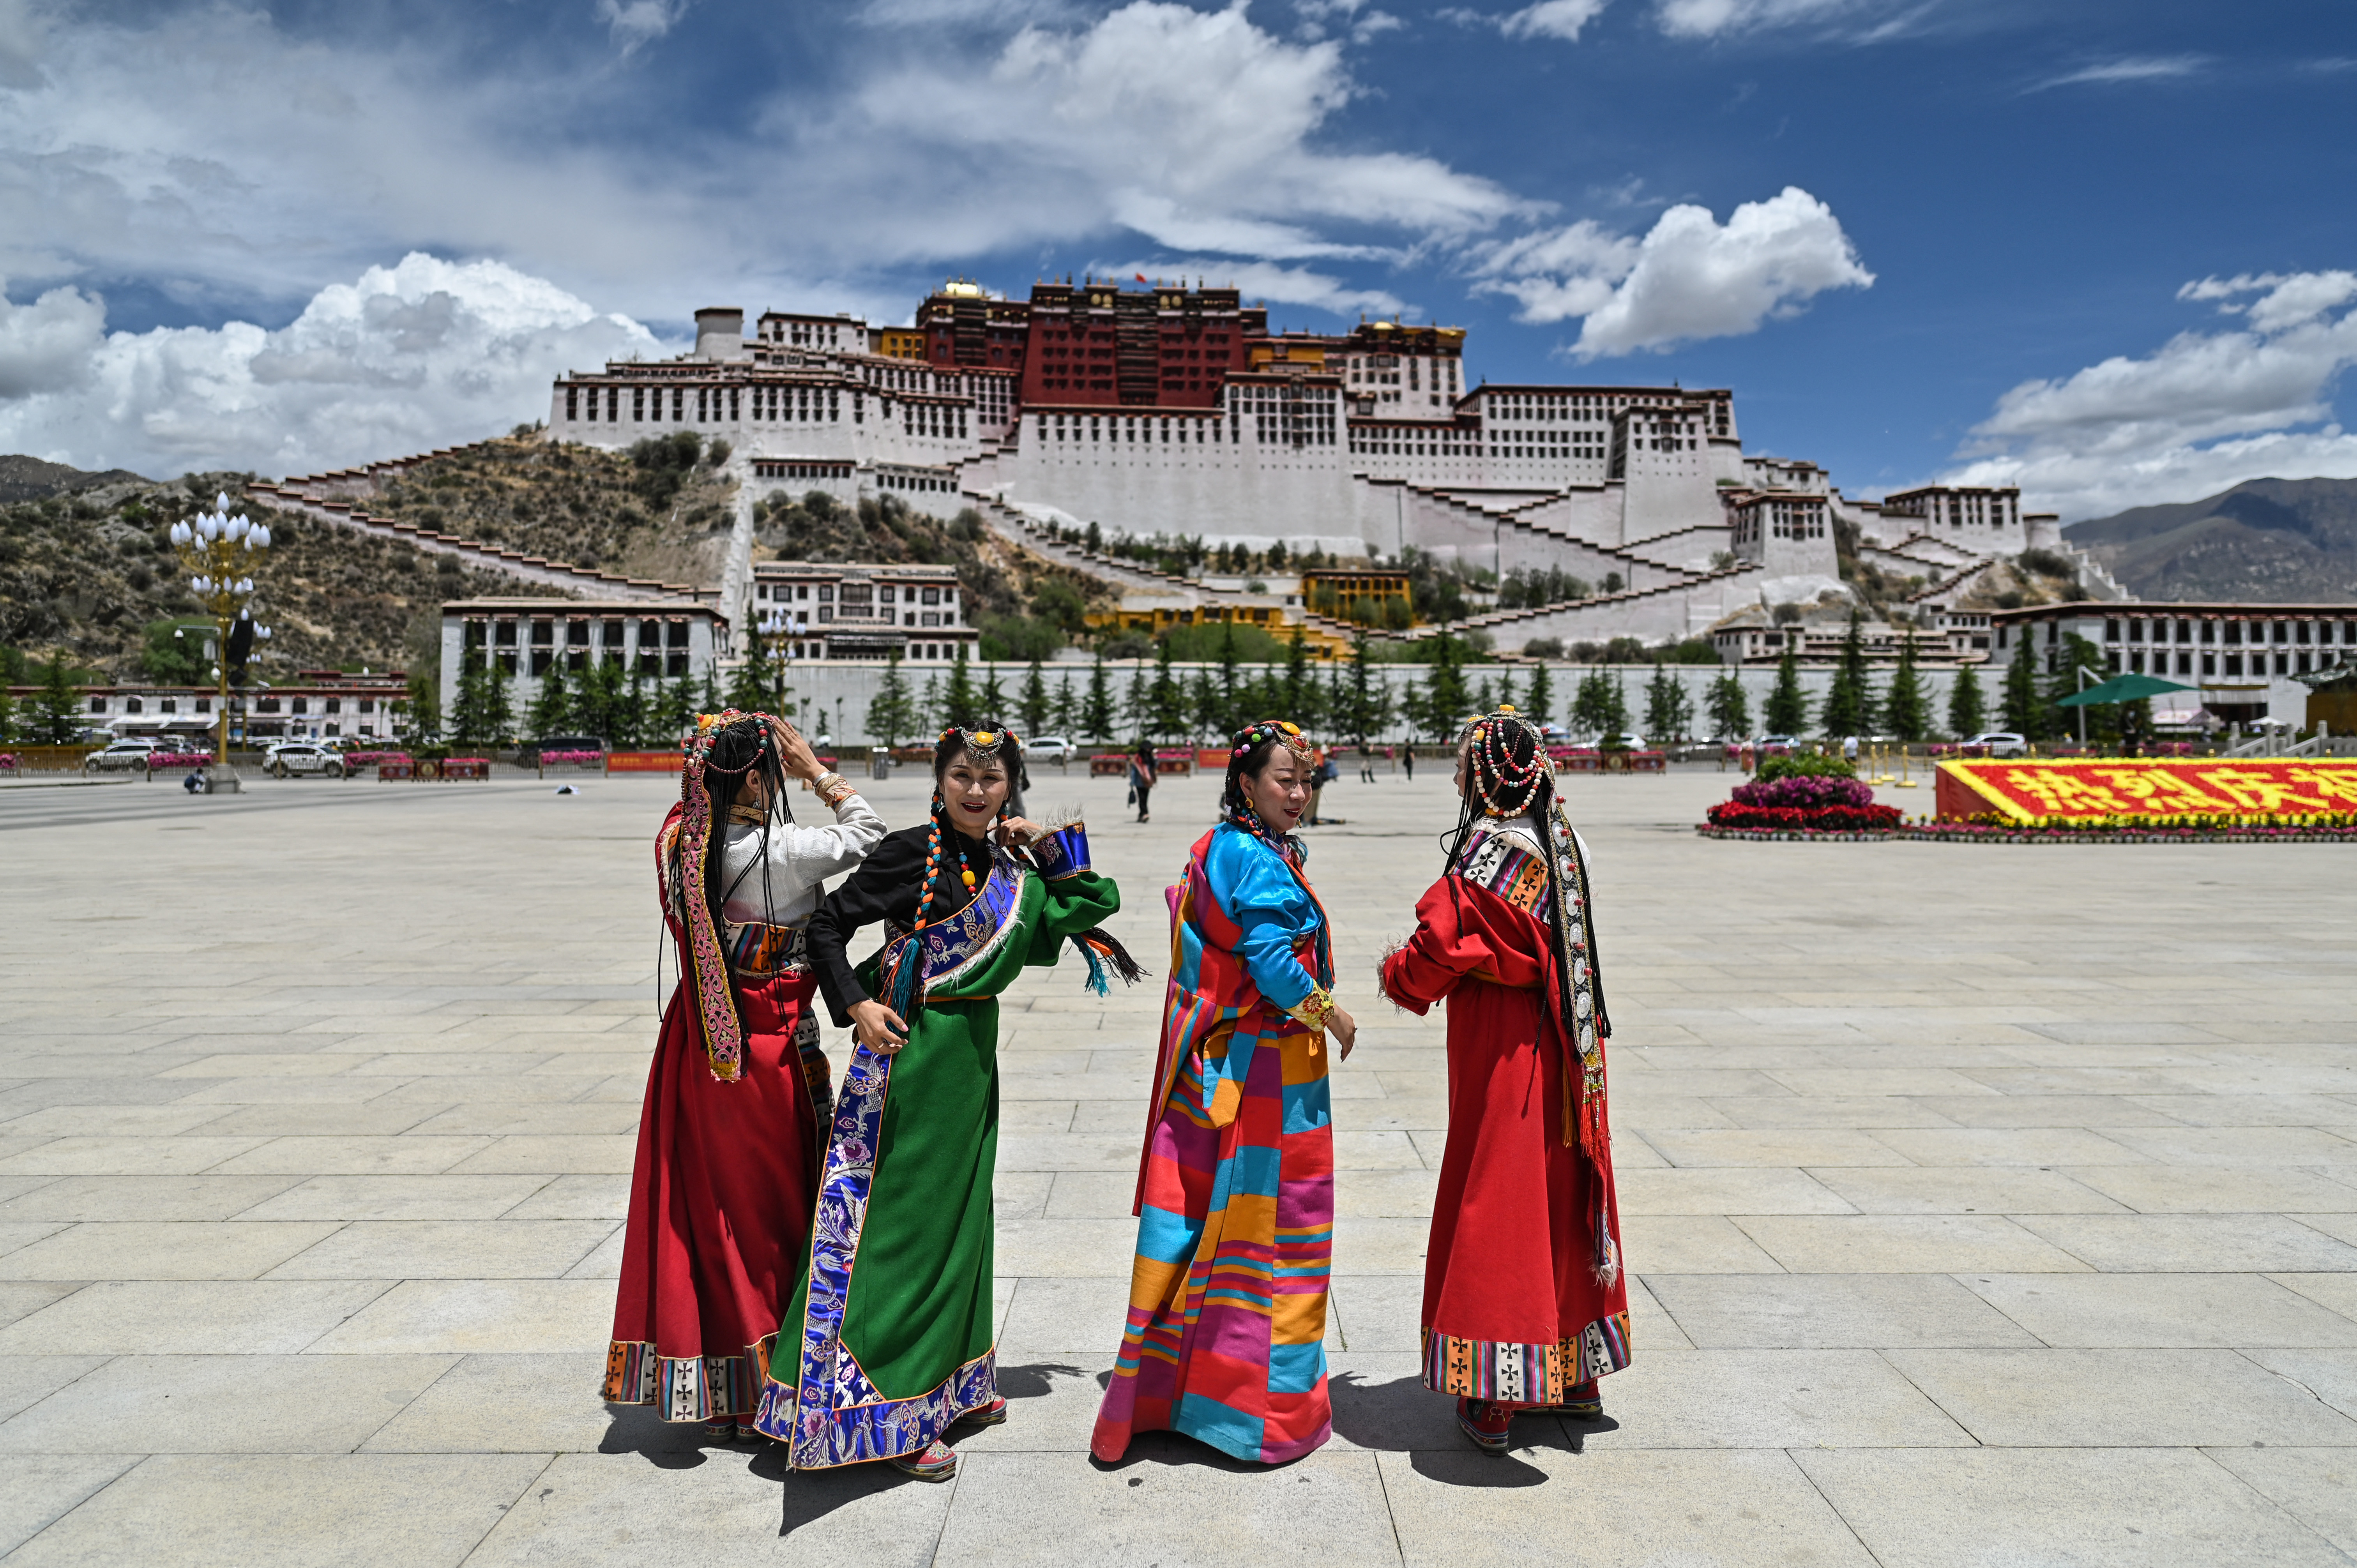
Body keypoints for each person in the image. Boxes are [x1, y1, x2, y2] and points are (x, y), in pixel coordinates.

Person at [756, 726, 1136, 1480]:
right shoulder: (908, 851)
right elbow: (828, 925)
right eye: (962, 774)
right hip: (913, 1051)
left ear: (1010, 787)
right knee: (907, 1227)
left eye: (991, 779)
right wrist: (856, 1003)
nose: (975, 790)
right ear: (939, 777)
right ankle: (884, 1409)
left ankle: (952, 1381)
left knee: (962, 1221)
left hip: (969, 1059)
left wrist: (1049, 844)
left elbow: (1089, 905)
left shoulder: (1008, 865)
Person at [604, 712, 885, 1439]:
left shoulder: (679, 841)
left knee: (712, 1208)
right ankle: (776, 1376)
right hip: (768, 1048)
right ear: (758, 780)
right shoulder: (781, 851)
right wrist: (819, 774)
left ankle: (721, 1379)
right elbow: (870, 834)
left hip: (699, 1039)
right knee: (773, 1215)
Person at [1092, 718, 1355, 1467]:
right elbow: (1271, 962)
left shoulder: (1222, 844)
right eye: (1283, 779)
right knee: (1273, 1233)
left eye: (1305, 781)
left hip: (1227, 1065)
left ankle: (1180, 1390)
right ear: (1246, 782)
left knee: (1208, 1224)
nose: (1298, 793)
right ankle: (1261, 1414)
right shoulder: (1258, 858)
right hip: (1269, 1072)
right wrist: (1330, 1012)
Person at [1377, 705, 1629, 1455]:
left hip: (1507, 1049)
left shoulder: (1486, 857)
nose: (1456, 778)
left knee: (1500, 1199)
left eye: (1462, 767)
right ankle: (1574, 1372)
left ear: (1486, 780)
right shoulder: (1564, 840)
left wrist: (1392, 975)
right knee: (1561, 1192)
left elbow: (1434, 952)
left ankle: (1492, 1389)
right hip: (1570, 1046)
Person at [1128, 736, 1156, 823]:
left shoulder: (1150, 758)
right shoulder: (1137, 758)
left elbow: (1154, 768)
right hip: (1139, 782)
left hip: (1148, 782)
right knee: (1142, 798)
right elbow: (1134, 771)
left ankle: (1142, 814)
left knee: (1145, 798)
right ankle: (1145, 813)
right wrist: (1132, 782)